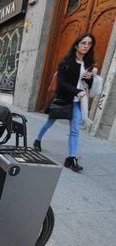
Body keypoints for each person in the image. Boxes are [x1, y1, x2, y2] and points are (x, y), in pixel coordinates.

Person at [33, 32, 97, 172]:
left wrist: (89, 79)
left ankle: (71, 158)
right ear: (76, 45)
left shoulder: (88, 64)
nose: (86, 46)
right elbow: (61, 83)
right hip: (64, 99)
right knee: (50, 122)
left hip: (77, 103)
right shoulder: (66, 62)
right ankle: (37, 140)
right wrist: (76, 92)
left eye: (89, 43)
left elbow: (89, 85)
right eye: (83, 43)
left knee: (74, 130)